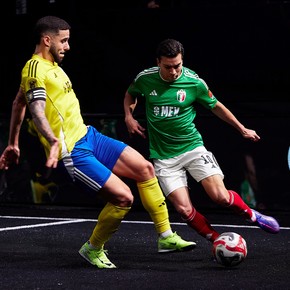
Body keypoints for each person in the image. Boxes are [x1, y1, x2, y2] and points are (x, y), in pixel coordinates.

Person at [0, 18, 196, 269]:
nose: (68, 46)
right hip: (72, 149)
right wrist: (51, 139)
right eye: (64, 41)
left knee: (144, 169)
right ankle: (93, 248)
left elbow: (19, 102)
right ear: (47, 40)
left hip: (88, 135)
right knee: (123, 198)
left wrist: (13, 143)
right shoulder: (35, 69)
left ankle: (166, 237)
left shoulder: (53, 67)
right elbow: (36, 109)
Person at [124, 38, 280, 245]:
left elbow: (215, 106)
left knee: (220, 197)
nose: (173, 72)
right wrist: (129, 116)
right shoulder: (145, 78)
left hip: (192, 148)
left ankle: (252, 215)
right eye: (168, 67)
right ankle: (218, 241)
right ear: (158, 62)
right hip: (163, 157)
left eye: (177, 66)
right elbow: (131, 94)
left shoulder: (194, 82)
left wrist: (242, 129)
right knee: (183, 209)